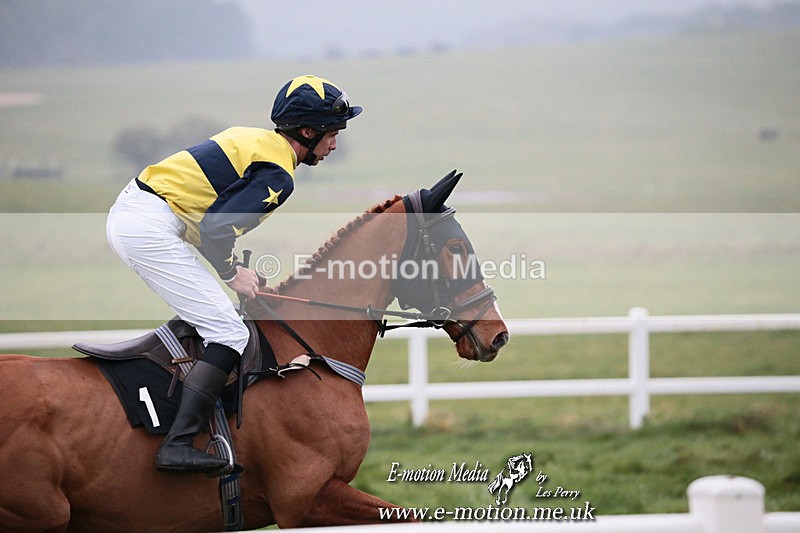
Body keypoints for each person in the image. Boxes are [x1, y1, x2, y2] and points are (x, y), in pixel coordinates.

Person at [106, 75, 362, 474]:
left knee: (216, 318)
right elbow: (214, 228)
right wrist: (230, 273)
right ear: (308, 132)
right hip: (149, 226)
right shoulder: (279, 174)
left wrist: (232, 268)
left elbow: (210, 219)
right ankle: (177, 443)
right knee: (229, 332)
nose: (334, 144)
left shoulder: (256, 139)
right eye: (332, 133)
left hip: (143, 213)